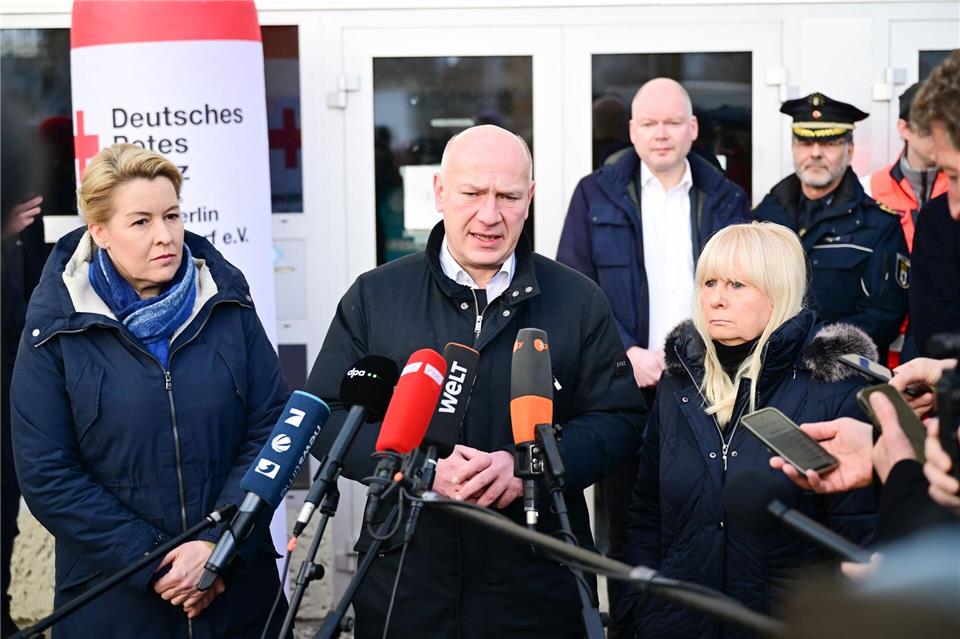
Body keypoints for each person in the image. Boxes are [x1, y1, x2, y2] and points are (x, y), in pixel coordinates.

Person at [306, 124, 647, 639]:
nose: (490, 215)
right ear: (439, 192)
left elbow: (618, 421)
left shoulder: (579, 300)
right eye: (472, 193)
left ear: (529, 199)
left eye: (508, 196)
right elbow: (327, 416)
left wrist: (528, 467)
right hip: (406, 582)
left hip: (539, 584)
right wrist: (417, 469)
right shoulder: (374, 297)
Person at [10, 144, 289, 638]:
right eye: (141, 221)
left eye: (172, 216)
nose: (165, 236)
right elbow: (47, 472)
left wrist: (217, 545)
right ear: (99, 231)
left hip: (239, 596)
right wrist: (157, 563)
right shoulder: (54, 326)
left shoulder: (227, 302)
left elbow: (271, 429)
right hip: (114, 603)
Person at [616, 222, 877, 639]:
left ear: (779, 290)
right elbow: (646, 516)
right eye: (709, 282)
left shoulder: (833, 389)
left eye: (737, 284)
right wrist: (637, 611)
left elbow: (858, 538)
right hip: (677, 626)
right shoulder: (679, 382)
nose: (716, 298)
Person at [557, 79, 748, 623]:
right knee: (626, 525)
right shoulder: (594, 194)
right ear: (632, 131)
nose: (661, 133)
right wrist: (625, 353)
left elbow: (747, 284)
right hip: (626, 385)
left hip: (709, 383)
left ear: (693, 129)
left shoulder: (727, 196)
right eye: (649, 123)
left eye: (672, 122)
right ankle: (628, 628)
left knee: (705, 517)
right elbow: (576, 289)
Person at [754, 93, 909, 361]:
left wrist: (811, 350)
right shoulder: (763, 217)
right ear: (793, 148)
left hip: (840, 375)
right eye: (805, 142)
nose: (815, 153)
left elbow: (882, 317)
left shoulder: (879, 226)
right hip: (767, 370)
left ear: (849, 150)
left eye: (828, 143)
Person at [906, 50, 960, 355]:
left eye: (956, 175)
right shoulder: (938, 220)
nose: (955, 209)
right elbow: (936, 330)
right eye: (948, 175)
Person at [861, 83, 948, 250]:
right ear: (904, 128)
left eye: (947, 127)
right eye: (929, 127)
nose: (940, 136)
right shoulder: (868, 189)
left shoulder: (956, 186)